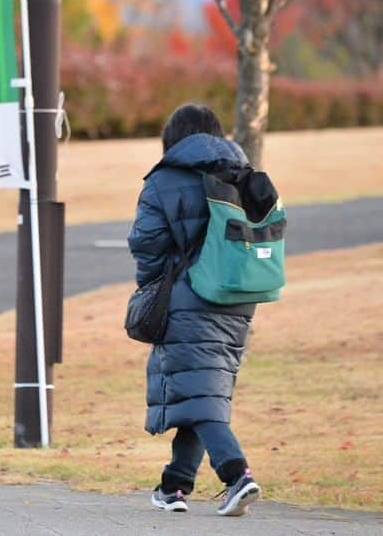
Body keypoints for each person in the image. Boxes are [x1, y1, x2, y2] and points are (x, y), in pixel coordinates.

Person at [127, 104, 262, 517]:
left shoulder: (164, 179)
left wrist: (155, 285)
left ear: (174, 139)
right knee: (203, 389)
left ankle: (237, 475)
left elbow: (146, 244)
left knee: (200, 392)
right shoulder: (243, 175)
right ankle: (174, 485)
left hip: (189, 295)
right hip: (239, 296)